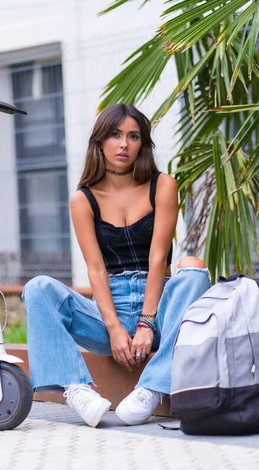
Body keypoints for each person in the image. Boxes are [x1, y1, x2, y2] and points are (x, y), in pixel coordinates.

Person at [22, 104, 211, 428]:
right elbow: (95, 268)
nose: (123, 144)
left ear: (142, 144)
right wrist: (113, 329)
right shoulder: (83, 199)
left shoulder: (162, 185)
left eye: (133, 136)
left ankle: (152, 386)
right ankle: (76, 388)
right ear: (100, 142)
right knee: (37, 287)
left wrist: (147, 323)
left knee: (193, 267)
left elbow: (157, 258)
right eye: (115, 135)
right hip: (108, 312)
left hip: (160, 310)